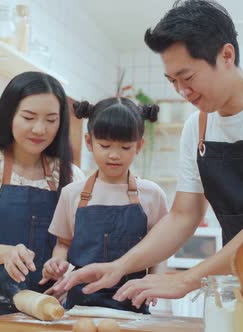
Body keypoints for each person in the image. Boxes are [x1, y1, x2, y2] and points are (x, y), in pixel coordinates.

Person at [54, 1, 243, 330]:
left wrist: (186, 281)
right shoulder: (197, 128)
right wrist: (119, 265)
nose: (181, 90)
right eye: (172, 80)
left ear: (226, 55)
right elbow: (183, 216)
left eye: (187, 77)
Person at [0, 71, 85, 315]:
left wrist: (66, 271)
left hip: (52, 312)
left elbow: (75, 244)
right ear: (9, 115)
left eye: (51, 119)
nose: (39, 128)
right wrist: (5, 253)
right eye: (29, 117)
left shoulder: (70, 176)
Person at [39, 97, 169, 314]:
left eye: (125, 147)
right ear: (89, 142)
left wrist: (155, 280)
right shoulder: (72, 194)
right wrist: (56, 262)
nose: (114, 155)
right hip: (80, 306)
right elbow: (63, 243)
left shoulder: (152, 195)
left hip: (133, 305)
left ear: (139, 146)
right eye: (105, 145)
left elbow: (161, 249)